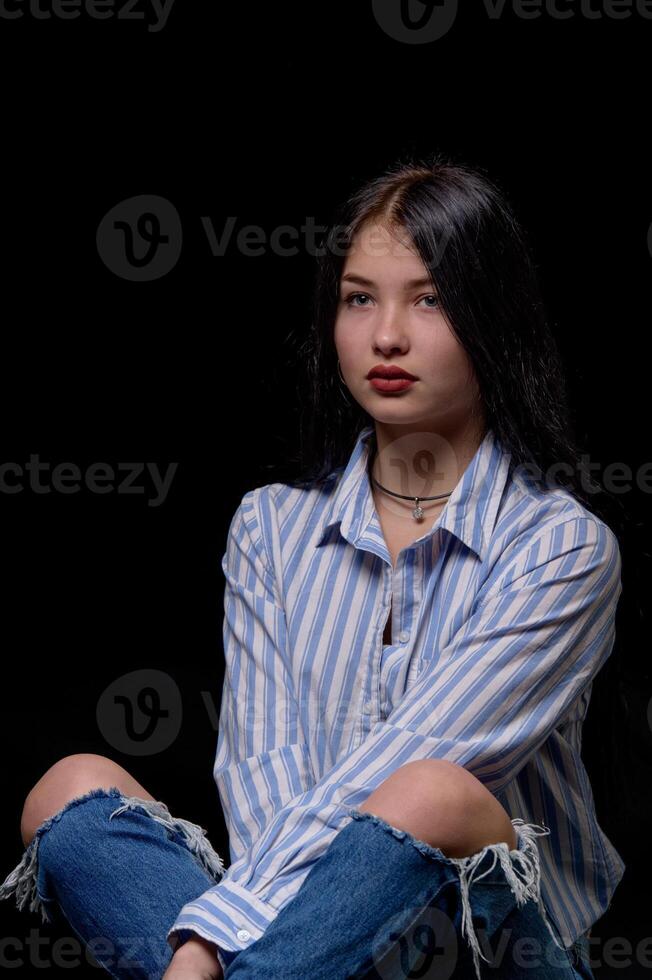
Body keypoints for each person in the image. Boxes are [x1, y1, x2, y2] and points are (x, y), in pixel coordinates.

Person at [0, 154, 622, 979]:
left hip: (481, 953)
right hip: (306, 940)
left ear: (494, 317)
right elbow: (262, 773)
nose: (386, 335)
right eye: (359, 298)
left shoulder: (562, 547)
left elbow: (417, 760)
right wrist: (238, 939)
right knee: (68, 787)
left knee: (428, 789)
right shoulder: (270, 527)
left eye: (429, 299)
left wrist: (206, 943)